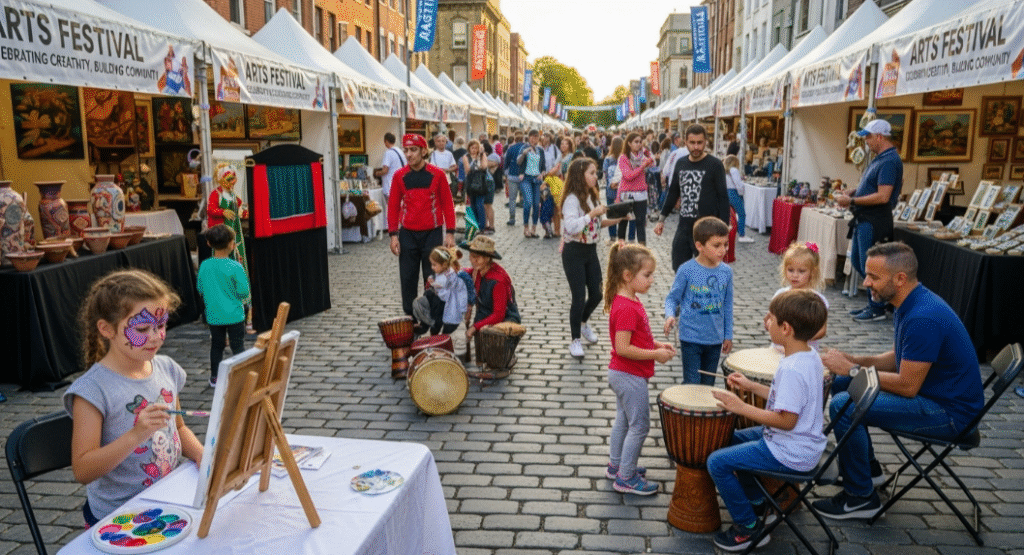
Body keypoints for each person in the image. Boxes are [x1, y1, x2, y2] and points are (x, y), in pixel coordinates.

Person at [814, 242, 984, 519]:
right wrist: (855, 359)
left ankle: (860, 498)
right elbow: (899, 357)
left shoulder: (922, 316)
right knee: (843, 384)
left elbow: (907, 385)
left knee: (845, 403)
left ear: (900, 279)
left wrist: (853, 369)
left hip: (951, 415)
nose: (866, 282)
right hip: (935, 397)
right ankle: (869, 471)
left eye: (874, 277)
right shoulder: (911, 301)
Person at [65, 269, 204, 525]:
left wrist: (200, 455)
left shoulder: (166, 369)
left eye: (161, 326)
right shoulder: (92, 391)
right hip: (118, 517)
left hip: (166, 498)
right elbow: (83, 470)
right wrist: (136, 435)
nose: (155, 337)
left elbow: (179, 427)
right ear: (106, 329)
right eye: (142, 328)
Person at [707, 289, 829, 552]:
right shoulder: (809, 356)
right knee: (729, 439)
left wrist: (741, 407)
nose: (766, 321)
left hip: (790, 450)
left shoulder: (792, 368)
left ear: (785, 328)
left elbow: (786, 420)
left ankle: (748, 528)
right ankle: (756, 502)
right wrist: (750, 385)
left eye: (770, 318)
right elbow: (785, 399)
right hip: (794, 443)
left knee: (717, 462)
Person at [604, 243, 677, 495]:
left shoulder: (629, 300)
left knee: (624, 420)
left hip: (623, 374)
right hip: (629, 375)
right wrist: (656, 355)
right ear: (627, 276)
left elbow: (636, 339)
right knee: (640, 426)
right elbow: (623, 347)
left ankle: (616, 465)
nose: (652, 280)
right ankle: (625, 477)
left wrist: (656, 344)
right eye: (647, 275)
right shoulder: (626, 307)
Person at [835, 119, 904, 322]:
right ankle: (876, 302)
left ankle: (878, 307)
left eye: (868, 137)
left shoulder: (890, 161)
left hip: (875, 219)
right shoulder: (880, 158)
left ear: (880, 137)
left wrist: (852, 200)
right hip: (865, 217)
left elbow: (883, 195)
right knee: (859, 260)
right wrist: (853, 191)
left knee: (871, 264)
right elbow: (872, 185)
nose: (866, 141)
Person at [388, 134, 457, 318]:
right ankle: (410, 317)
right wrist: (393, 235)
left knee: (432, 278)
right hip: (407, 234)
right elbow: (393, 206)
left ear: (424, 151)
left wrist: (450, 233)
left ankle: (432, 316)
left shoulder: (438, 174)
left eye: (413, 150)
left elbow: (448, 205)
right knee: (408, 278)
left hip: (432, 234)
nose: (409, 154)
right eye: (406, 150)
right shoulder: (399, 176)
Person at [561, 158, 624, 358]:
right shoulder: (571, 199)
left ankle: (583, 322)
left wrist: (621, 217)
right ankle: (575, 340)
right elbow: (571, 227)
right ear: (580, 176)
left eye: (596, 172)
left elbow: (599, 223)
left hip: (590, 250)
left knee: (597, 294)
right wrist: (591, 214)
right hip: (574, 252)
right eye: (592, 173)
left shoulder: (592, 195)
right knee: (578, 297)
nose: (596, 176)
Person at [663, 216, 734, 385]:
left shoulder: (726, 272)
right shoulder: (686, 270)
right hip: (691, 338)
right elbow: (672, 299)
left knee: (708, 383)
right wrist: (670, 315)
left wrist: (728, 334)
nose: (722, 250)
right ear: (699, 246)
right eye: (716, 245)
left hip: (715, 339)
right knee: (692, 382)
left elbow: (728, 305)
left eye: (725, 244)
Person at [655, 124, 731, 272]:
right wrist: (661, 219)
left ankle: (702, 295)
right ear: (685, 142)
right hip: (684, 227)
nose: (696, 147)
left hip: (708, 230)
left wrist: (724, 228)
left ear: (705, 142)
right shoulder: (681, 163)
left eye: (699, 143)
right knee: (679, 269)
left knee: (706, 271)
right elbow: (673, 192)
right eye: (692, 143)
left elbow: (723, 197)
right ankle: (685, 295)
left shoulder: (715, 165)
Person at [197, 224, 251, 387]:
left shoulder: (205, 265)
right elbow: (244, 292)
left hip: (214, 314)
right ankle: (241, 375)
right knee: (238, 346)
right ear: (232, 244)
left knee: (217, 346)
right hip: (234, 314)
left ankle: (215, 377)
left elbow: (200, 288)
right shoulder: (236, 267)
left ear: (208, 244)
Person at [461, 235, 521, 344]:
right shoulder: (477, 270)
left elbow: (499, 314)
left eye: (477, 257)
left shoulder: (498, 281)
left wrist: (474, 327)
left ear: (487, 258)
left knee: (490, 333)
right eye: (471, 256)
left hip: (504, 319)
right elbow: (464, 272)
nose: (473, 260)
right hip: (485, 314)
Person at [769, 242, 827, 351]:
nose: (795, 275)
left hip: (804, 350)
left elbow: (822, 330)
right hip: (779, 349)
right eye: (791, 270)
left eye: (801, 271)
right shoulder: (780, 295)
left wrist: (799, 341)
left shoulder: (817, 300)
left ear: (812, 272)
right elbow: (771, 320)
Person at [412, 246, 470, 336]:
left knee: (437, 309)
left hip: (446, 304)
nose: (432, 267)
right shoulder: (441, 271)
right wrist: (432, 281)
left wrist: (436, 286)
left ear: (444, 264)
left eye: (434, 265)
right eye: (431, 264)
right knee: (428, 294)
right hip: (439, 298)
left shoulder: (450, 275)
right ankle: (425, 324)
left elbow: (447, 294)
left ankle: (434, 330)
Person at [616, 132, 655, 245]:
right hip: (627, 194)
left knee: (640, 223)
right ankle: (620, 248)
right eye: (636, 142)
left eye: (640, 142)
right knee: (623, 222)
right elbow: (628, 176)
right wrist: (642, 166)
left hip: (641, 194)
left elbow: (654, 163)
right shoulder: (623, 158)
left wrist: (649, 155)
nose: (639, 144)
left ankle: (642, 250)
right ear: (629, 143)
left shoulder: (643, 156)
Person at [517, 130, 547, 238]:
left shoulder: (540, 150)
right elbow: (518, 162)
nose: (534, 139)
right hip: (526, 178)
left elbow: (543, 166)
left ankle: (533, 228)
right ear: (528, 138)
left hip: (536, 180)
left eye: (536, 137)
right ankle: (526, 227)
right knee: (528, 202)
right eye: (532, 137)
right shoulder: (524, 148)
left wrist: (542, 173)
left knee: (536, 205)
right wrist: (524, 153)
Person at [373, 133, 406, 216]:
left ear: (386, 141)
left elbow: (385, 170)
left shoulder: (388, 153)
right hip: (401, 184)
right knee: (401, 208)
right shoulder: (400, 152)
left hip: (390, 185)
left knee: (393, 210)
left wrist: (376, 173)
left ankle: (395, 227)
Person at [724, 154, 754, 243]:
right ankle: (742, 235)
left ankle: (728, 232)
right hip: (734, 193)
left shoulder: (725, 171)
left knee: (730, 214)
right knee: (742, 214)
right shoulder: (734, 170)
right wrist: (742, 192)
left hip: (727, 193)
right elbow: (738, 184)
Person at [462, 139, 490, 232]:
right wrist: (477, 167)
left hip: (481, 184)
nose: (474, 150)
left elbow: (484, 166)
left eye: (476, 148)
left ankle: (482, 226)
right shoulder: (466, 157)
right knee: (473, 205)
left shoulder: (482, 156)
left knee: (480, 205)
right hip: (470, 183)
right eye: (472, 148)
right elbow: (467, 170)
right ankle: (475, 224)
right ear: (469, 148)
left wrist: (479, 156)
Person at [603, 136, 624, 242]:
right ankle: (621, 235)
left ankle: (612, 236)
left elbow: (605, 175)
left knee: (611, 213)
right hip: (622, 190)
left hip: (610, 190)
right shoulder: (624, 158)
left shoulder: (607, 159)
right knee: (621, 212)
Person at [503, 132, 526, 226]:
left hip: (512, 176)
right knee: (526, 199)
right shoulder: (526, 147)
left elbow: (506, 162)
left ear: (515, 140)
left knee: (512, 199)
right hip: (524, 176)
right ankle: (526, 219)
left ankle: (512, 218)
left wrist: (505, 174)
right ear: (523, 139)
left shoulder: (511, 148)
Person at [430, 133, 459, 201]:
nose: (441, 143)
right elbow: (431, 167)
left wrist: (447, 170)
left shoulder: (449, 154)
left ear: (446, 142)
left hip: (447, 180)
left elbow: (454, 166)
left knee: (446, 199)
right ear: (435, 143)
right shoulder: (433, 154)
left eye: (443, 141)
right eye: (439, 141)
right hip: (436, 180)